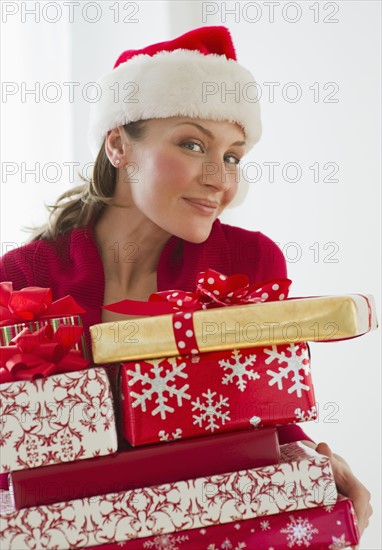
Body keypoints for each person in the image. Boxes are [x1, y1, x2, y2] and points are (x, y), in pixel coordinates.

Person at [0, 26, 372, 539]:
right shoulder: (21, 279)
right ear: (117, 146)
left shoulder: (250, 260)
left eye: (233, 156)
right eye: (193, 143)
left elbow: (263, 411)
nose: (219, 178)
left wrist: (314, 463)